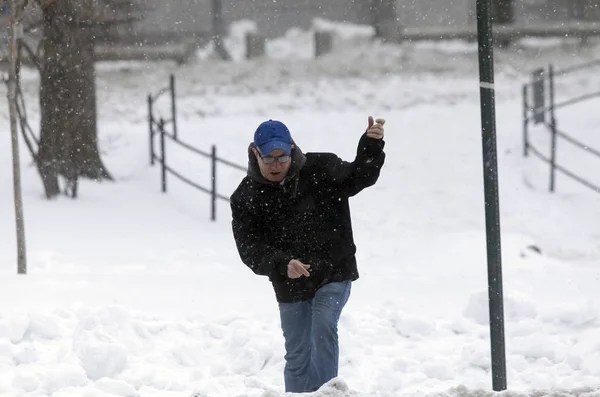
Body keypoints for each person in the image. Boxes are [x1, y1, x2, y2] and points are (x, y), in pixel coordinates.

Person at [229, 116, 386, 393]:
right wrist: (281, 264)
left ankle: (326, 392)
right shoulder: (246, 196)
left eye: (282, 156)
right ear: (255, 153)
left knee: (324, 324)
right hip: (288, 282)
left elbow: (360, 176)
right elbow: (250, 248)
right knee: (298, 353)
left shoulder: (321, 168)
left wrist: (371, 146)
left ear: (292, 149)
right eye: (269, 158)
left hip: (333, 270)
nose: (277, 165)